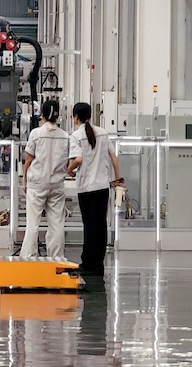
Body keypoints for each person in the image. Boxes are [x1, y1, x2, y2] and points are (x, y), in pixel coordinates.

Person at [68, 102, 123, 277]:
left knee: (89, 225)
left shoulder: (76, 135)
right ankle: (98, 262)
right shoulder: (103, 133)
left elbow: (78, 159)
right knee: (100, 224)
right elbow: (113, 158)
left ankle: (88, 262)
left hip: (86, 187)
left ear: (76, 116)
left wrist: (69, 171)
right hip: (102, 186)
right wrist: (117, 179)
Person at [20, 100, 70, 259]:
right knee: (57, 224)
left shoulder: (35, 134)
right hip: (56, 185)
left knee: (33, 224)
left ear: (42, 114)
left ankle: (29, 257)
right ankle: (56, 257)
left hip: (37, 184)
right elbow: (68, 161)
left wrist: (24, 180)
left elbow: (28, 160)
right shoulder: (65, 136)